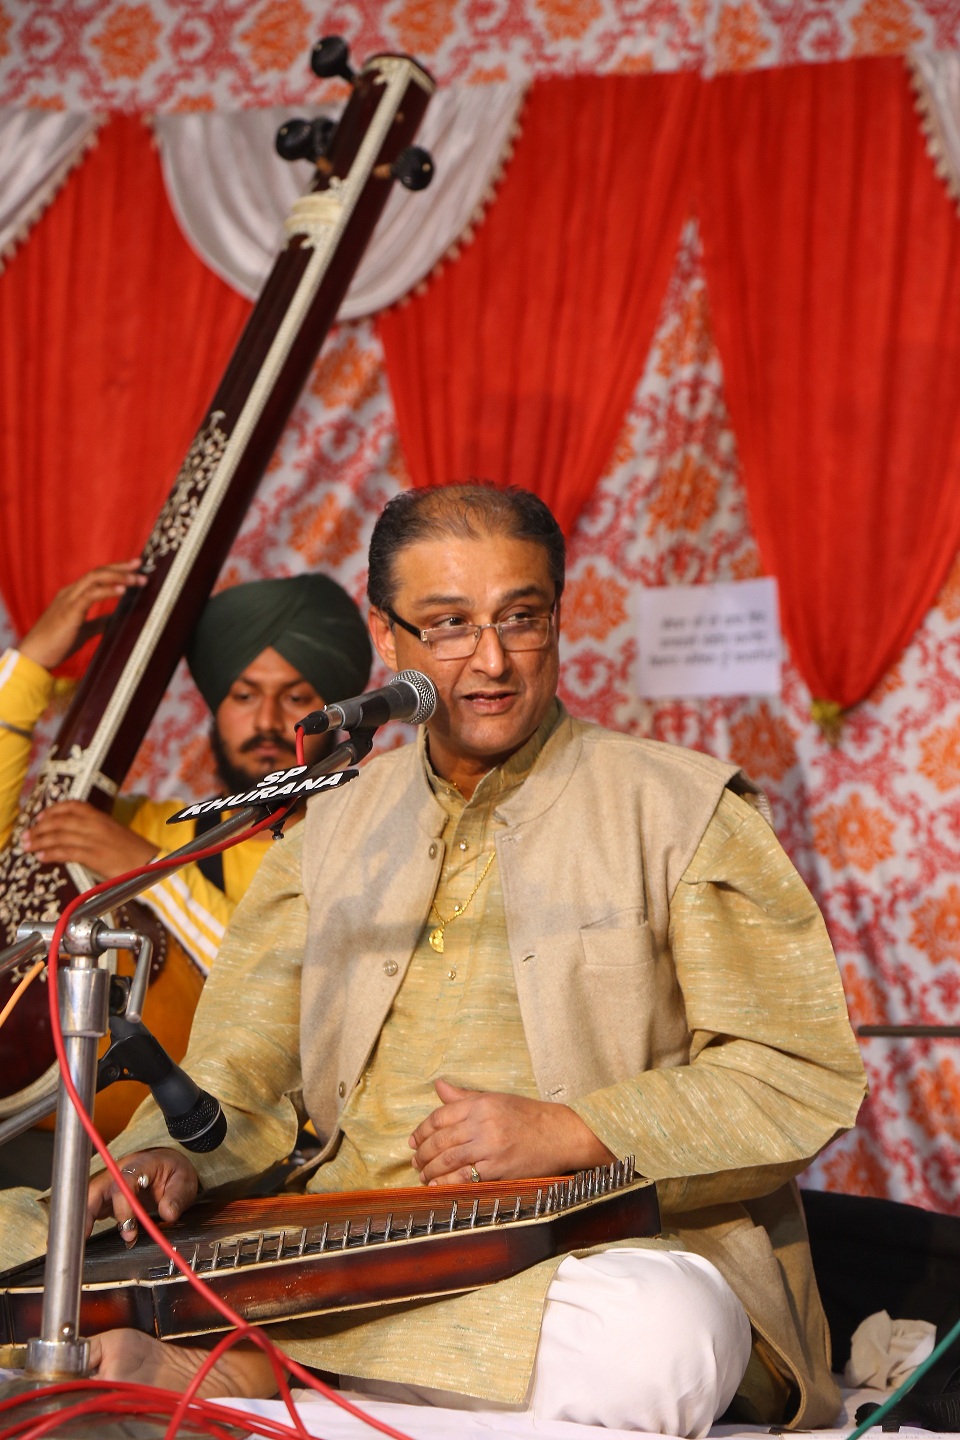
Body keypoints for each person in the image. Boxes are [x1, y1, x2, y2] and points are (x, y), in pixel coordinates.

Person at [77, 485, 865, 1435]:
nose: (491, 661)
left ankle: (256, 1382)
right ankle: (301, 1384)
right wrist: (171, 1158)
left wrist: (574, 1130)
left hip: (576, 1256)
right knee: (31, 1249)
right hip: (336, 1248)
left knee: (661, 1343)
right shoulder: (329, 826)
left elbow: (794, 1077)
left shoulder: (678, 809)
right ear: (388, 638)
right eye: (449, 625)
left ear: (558, 619)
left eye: (520, 618)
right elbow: (239, 1073)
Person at [0, 565, 371, 1189]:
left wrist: (148, 870)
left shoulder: (361, 844)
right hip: (72, 1142)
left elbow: (294, 1002)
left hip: (263, 1158)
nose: (267, 722)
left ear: (335, 714)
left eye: (297, 697)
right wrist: (29, 667)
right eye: (244, 695)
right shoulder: (149, 823)